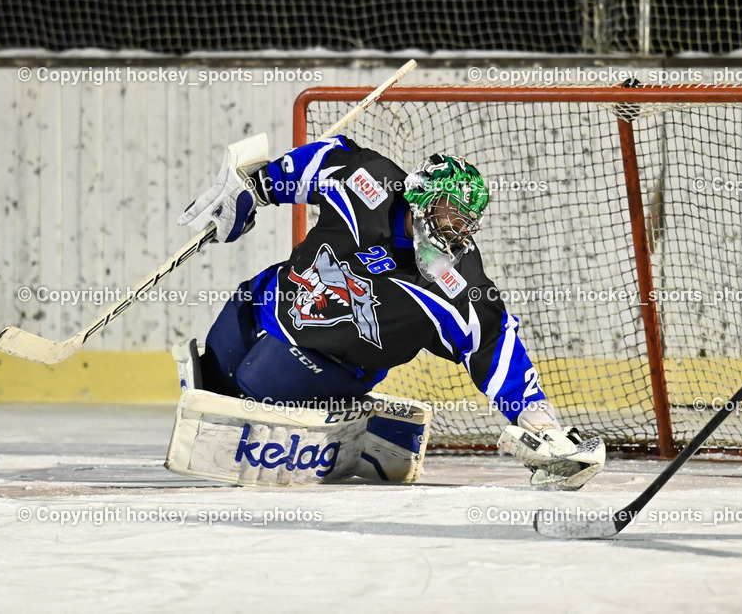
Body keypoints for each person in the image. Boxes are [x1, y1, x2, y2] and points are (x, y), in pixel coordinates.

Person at [173, 132, 605, 489]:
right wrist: (258, 187)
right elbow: (323, 158)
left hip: (325, 365)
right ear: (420, 199)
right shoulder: (369, 182)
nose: (454, 231)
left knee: (260, 376)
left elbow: (492, 342)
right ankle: (359, 430)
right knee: (214, 369)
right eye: (448, 213)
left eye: (464, 223)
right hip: (267, 304)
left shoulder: (455, 280)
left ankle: (356, 425)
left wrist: (541, 423)